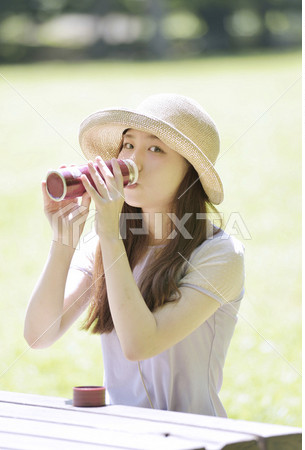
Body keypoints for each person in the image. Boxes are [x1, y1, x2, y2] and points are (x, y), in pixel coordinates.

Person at [24, 93, 245, 417]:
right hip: (122, 435)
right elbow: (38, 336)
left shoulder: (219, 254)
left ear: (190, 172)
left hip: (194, 436)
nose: (132, 162)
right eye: (128, 145)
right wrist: (64, 241)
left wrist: (110, 234)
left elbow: (140, 345)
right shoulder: (107, 244)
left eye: (155, 148)